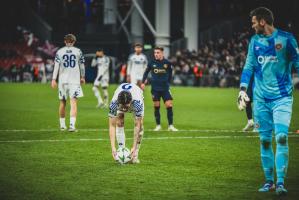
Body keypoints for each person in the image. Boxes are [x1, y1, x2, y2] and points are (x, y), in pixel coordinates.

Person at [238, 7, 299, 195]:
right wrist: (242, 89)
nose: (253, 25)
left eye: (254, 22)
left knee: (281, 137)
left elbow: (298, 62)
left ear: (263, 22)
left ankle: (280, 183)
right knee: (265, 141)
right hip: (261, 99)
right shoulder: (254, 41)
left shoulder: (287, 39)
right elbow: (249, 66)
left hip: (282, 98)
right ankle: (268, 182)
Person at [51, 34, 85, 132]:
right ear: (74, 41)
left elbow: (56, 66)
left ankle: (62, 126)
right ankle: (71, 126)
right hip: (74, 81)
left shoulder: (59, 52)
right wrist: (82, 77)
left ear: (65, 41)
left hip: (62, 81)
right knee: (73, 103)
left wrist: (54, 79)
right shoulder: (78, 51)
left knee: (62, 102)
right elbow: (82, 65)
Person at [141, 46, 178, 131]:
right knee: (156, 106)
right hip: (155, 89)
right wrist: (143, 82)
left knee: (169, 105)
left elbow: (170, 73)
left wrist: (168, 83)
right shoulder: (151, 62)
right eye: (155, 53)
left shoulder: (167, 63)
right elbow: (146, 72)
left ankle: (171, 126)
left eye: (158, 53)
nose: (156, 54)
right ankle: (158, 125)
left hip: (165, 88)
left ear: (162, 53)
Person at [109, 83, 144, 164]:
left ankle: (135, 154)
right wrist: (113, 147)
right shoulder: (114, 103)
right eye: (122, 106)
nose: (124, 109)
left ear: (131, 102)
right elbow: (112, 125)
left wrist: (134, 147)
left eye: (126, 107)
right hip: (122, 95)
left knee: (141, 125)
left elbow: (137, 126)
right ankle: (121, 151)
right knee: (119, 121)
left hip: (138, 93)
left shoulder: (137, 103)